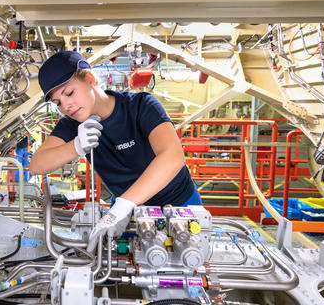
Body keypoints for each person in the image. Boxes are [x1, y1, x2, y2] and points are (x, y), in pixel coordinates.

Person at [29, 51, 202, 252]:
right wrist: (75, 146)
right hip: (127, 212)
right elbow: (36, 165)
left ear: (90, 79)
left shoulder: (140, 106)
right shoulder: (73, 125)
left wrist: (123, 205)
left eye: (69, 93)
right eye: (57, 102)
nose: (65, 106)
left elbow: (172, 157)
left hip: (179, 204)